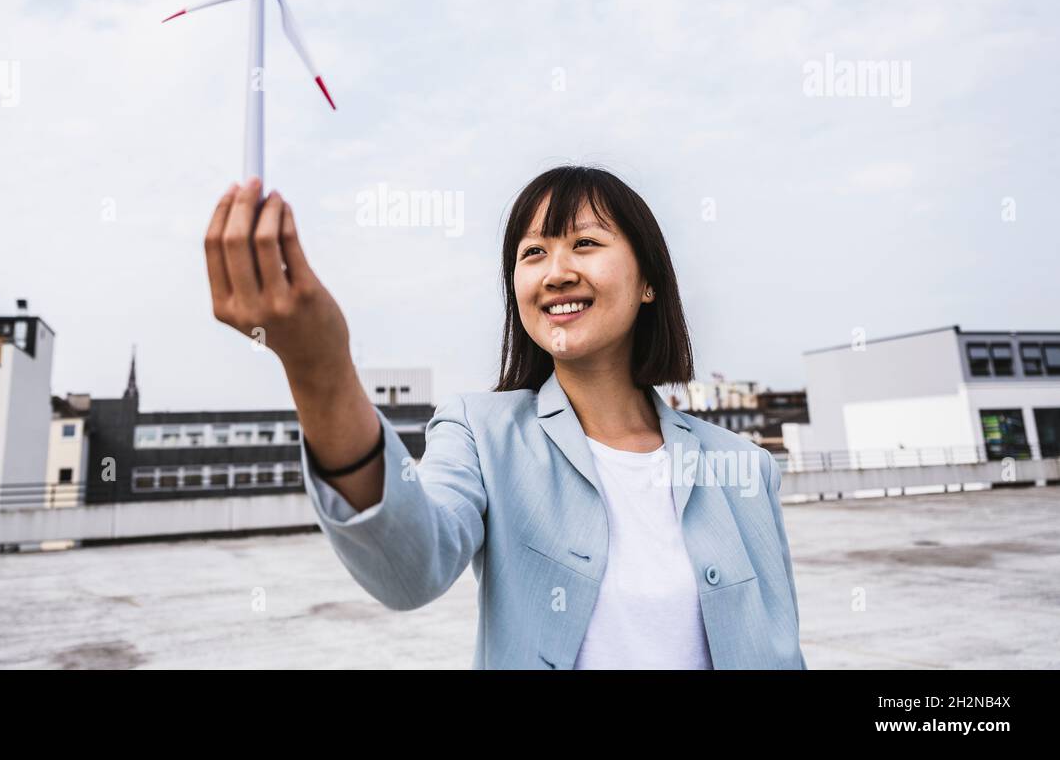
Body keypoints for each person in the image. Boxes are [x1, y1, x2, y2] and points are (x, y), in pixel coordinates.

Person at [204, 164, 807, 669]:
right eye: (533, 252)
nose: (556, 271)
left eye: (586, 244)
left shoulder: (744, 468)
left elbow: (780, 653)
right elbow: (409, 568)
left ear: (649, 280)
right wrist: (319, 367)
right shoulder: (478, 432)